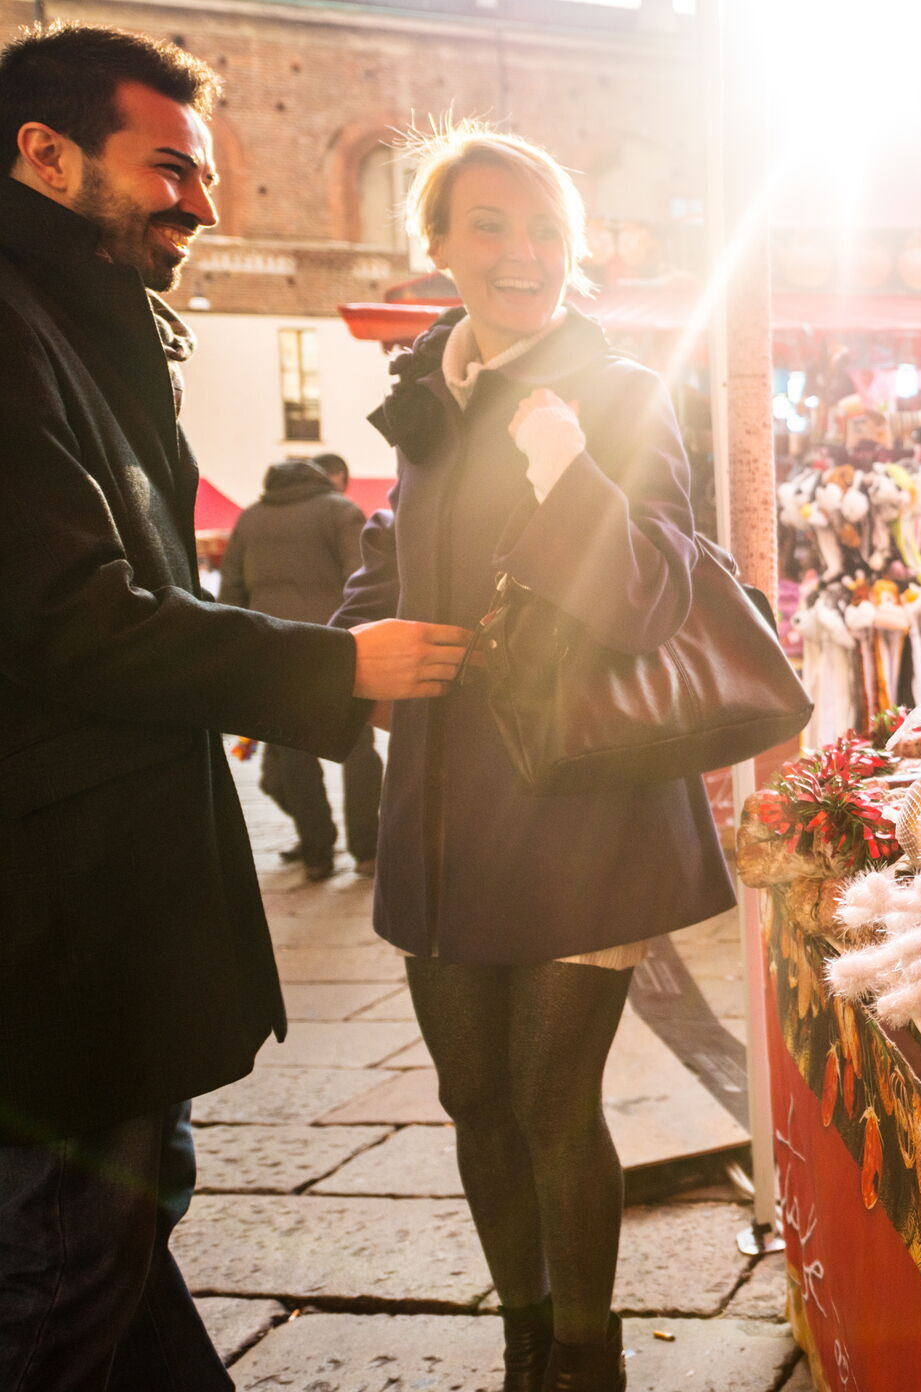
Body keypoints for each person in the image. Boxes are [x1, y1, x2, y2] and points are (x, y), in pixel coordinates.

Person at [0, 23, 469, 1392]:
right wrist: (332, 670)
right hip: (57, 928)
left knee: (116, 1247)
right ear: (44, 154)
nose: (201, 203)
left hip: (105, 915)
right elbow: (62, 615)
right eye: (169, 168)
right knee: (61, 1279)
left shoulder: (74, 318)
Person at [333, 124, 732, 1392]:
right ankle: (523, 1341)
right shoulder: (428, 393)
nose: (523, 252)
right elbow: (394, 555)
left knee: (552, 1098)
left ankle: (585, 1356)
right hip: (444, 807)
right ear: (440, 244)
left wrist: (566, 472)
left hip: (578, 802)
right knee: (475, 1101)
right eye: (491, 225)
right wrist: (353, 655)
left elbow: (650, 593)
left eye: (547, 228)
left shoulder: (617, 391)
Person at [221, 453, 386, 879]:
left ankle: (317, 855)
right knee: (359, 752)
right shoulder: (340, 510)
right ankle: (367, 850)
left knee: (294, 759)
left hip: (275, 655)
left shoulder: (250, 518)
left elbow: (230, 592)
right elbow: (362, 581)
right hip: (336, 650)